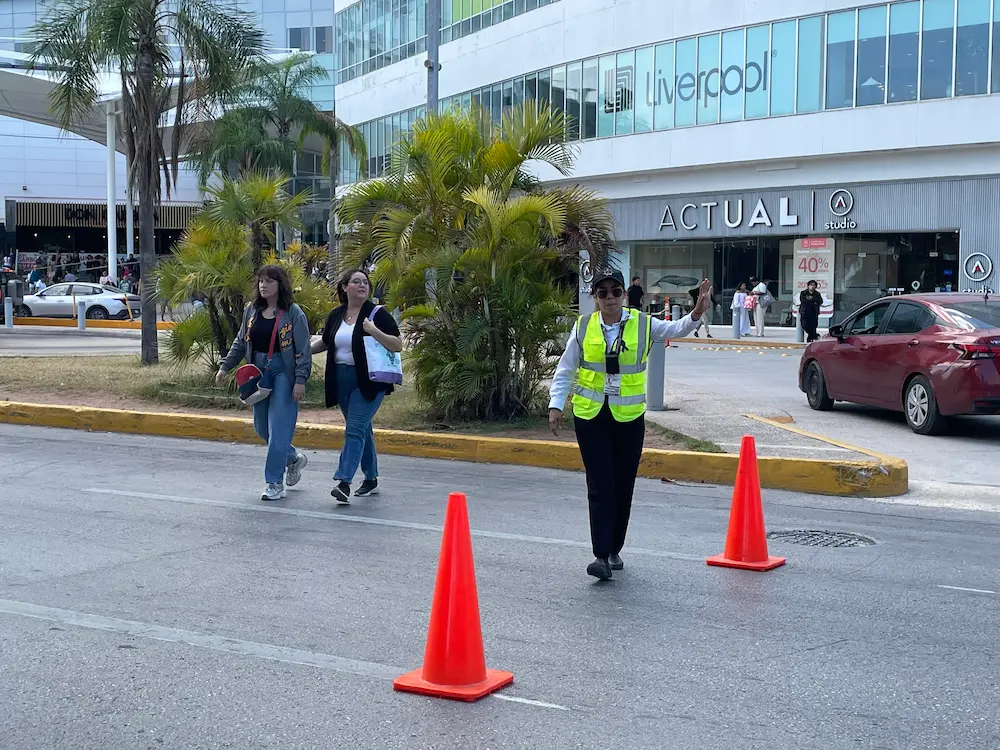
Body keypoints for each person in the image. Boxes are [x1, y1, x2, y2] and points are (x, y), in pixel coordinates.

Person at [548, 269, 713, 581]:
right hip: (590, 416)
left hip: (628, 418)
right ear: (594, 298)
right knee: (600, 485)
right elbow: (566, 367)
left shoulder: (642, 323)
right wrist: (556, 404)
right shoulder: (583, 326)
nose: (610, 298)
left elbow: (675, 329)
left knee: (623, 484)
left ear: (623, 294)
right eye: (603, 293)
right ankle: (600, 554)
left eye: (615, 291)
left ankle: (614, 549)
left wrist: (696, 313)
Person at [217, 265, 312, 501]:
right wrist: (225, 367)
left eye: (269, 281)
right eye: (261, 281)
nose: (263, 285)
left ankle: (274, 483)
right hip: (258, 372)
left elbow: (303, 349)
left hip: (283, 372)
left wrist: (300, 380)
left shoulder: (293, 313)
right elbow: (240, 342)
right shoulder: (252, 310)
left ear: (280, 285)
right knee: (262, 428)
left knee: (279, 429)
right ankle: (292, 458)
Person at [311, 267, 402, 505]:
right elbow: (326, 342)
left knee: (354, 429)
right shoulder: (337, 314)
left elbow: (397, 344)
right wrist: (301, 352)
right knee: (362, 430)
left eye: (365, 282)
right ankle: (371, 477)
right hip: (341, 379)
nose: (362, 285)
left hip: (369, 381)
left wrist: (373, 331)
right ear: (344, 287)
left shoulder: (377, 314)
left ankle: (344, 482)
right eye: (356, 281)